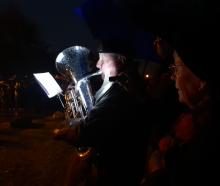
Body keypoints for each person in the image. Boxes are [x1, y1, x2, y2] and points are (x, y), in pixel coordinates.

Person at [53, 40, 149, 186]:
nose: (97, 65)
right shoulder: (117, 85)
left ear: (121, 61)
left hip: (116, 172)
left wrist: (63, 131)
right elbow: (100, 116)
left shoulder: (120, 90)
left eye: (102, 59)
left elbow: (87, 132)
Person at [142, 29, 220, 186]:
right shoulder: (192, 119)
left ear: (201, 78)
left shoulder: (204, 147)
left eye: (176, 68)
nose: (173, 76)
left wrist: (157, 174)